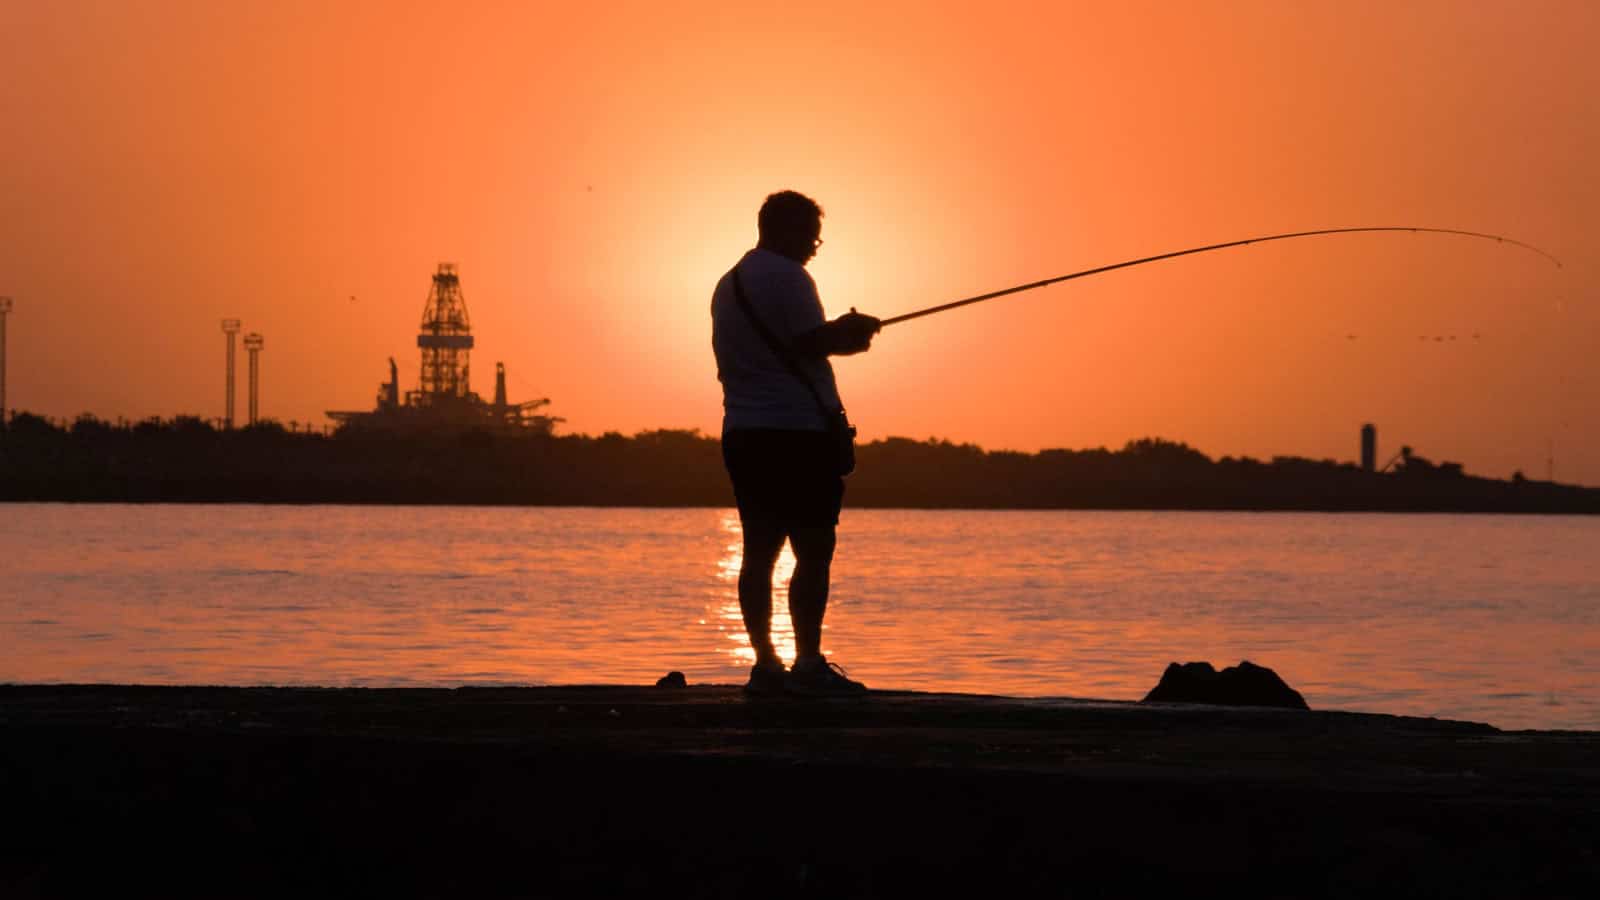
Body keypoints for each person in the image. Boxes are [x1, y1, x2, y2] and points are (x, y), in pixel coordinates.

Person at [710, 190, 882, 696]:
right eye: (810, 235)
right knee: (813, 549)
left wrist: (840, 332)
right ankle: (807, 663)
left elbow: (784, 344)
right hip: (798, 435)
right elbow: (811, 343)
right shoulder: (790, 276)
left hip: (744, 434)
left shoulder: (729, 283)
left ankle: (765, 665)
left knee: (758, 551)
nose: (814, 246)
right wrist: (853, 332)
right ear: (783, 231)